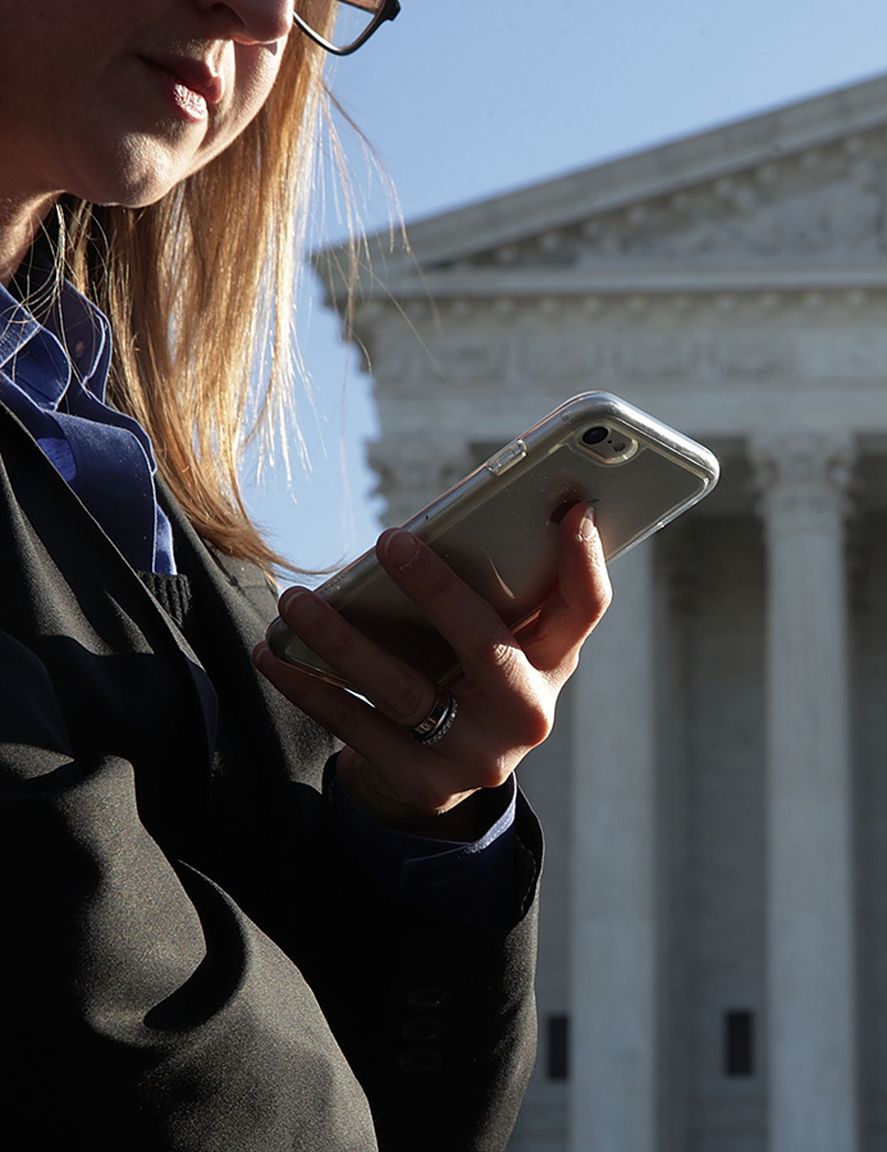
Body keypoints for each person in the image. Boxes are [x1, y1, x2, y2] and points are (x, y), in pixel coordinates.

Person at [0, 0, 612, 1146]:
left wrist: (422, 823)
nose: (264, 15)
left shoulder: (129, 471)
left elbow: (421, 1112)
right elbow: (67, 979)